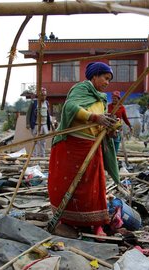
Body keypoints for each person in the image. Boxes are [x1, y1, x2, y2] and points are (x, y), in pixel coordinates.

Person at [48, 62, 119, 237]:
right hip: (71, 146)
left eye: (109, 80)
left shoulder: (102, 99)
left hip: (92, 147)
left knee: (94, 187)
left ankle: (97, 224)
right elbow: (70, 108)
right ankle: (66, 221)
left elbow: (101, 125)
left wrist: (110, 128)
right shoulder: (80, 89)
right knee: (67, 185)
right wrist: (95, 117)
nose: (107, 82)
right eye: (105, 78)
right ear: (94, 76)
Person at [26, 87, 53, 157]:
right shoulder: (34, 102)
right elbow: (28, 113)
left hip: (44, 125)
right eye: (42, 95)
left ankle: (42, 155)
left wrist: (51, 123)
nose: (44, 97)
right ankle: (35, 155)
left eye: (45, 95)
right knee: (36, 141)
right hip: (36, 124)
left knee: (43, 142)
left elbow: (48, 114)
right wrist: (28, 123)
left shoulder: (46, 103)